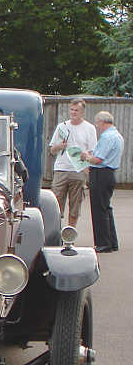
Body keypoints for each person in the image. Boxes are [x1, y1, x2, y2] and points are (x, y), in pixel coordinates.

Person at [48, 98, 97, 227]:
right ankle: (55, 233)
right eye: (72, 110)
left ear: (82, 112)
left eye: (77, 110)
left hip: (78, 170)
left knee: (75, 205)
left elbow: (92, 152)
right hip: (61, 170)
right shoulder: (62, 126)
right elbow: (52, 150)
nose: (74, 112)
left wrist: (85, 158)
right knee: (56, 203)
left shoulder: (90, 128)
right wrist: (60, 146)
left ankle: (70, 234)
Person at [80, 111, 124, 253]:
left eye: (98, 123)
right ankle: (112, 242)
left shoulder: (107, 137)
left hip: (100, 173)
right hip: (109, 174)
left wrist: (86, 156)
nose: (97, 126)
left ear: (102, 122)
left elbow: (98, 159)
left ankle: (103, 243)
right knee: (106, 208)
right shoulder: (117, 136)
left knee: (99, 209)